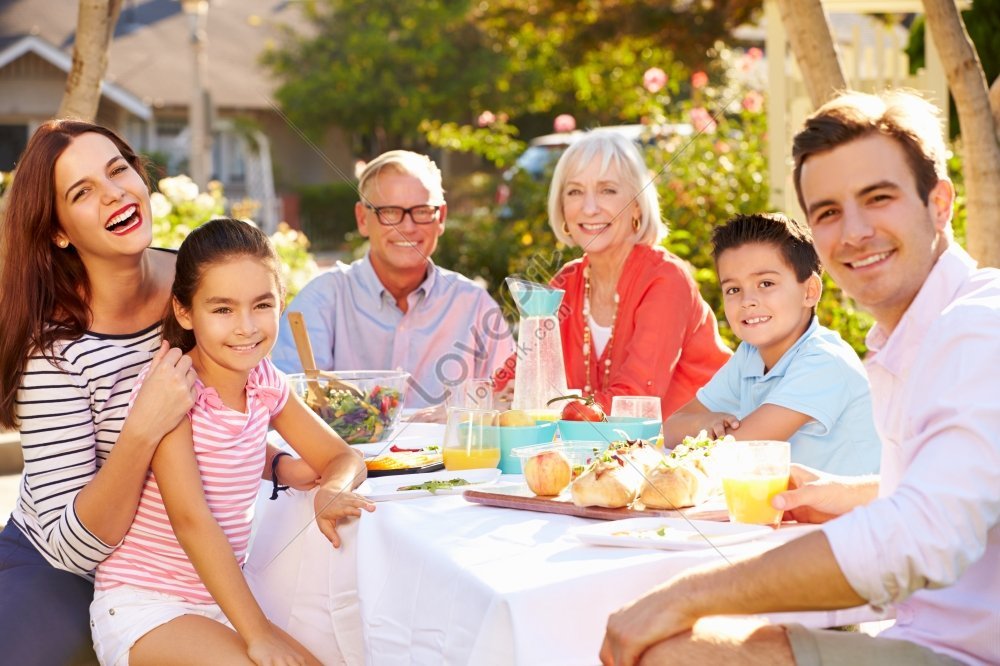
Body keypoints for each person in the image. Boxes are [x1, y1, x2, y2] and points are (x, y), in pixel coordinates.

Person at [600, 90, 999, 666]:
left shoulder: (977, 328)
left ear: (940, 204)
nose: (854, 232)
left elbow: (921, 536)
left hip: (964, 652)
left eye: (878, 197)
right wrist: (850, 493)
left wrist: (689, 594)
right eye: (829, 212)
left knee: (669, 648)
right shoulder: (902, 343)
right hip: (912, 633)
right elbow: (956, 493)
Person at [0, 121, 314, 666]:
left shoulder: (201, 286)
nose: (114, 193)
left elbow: (227, 413)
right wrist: (143, 429)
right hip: (63, 563)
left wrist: (278, 465)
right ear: (58, 231)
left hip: (178, 555)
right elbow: (70, 546)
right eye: (82, 192)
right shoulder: (54, 353)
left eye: (118, 170)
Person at [90, 218, 374, 665]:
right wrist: (258, 634)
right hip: (147, 603)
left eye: (261, 305)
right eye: (222, 309)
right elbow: (190, 519)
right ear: (185, 312)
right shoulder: (173, 388)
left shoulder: (264, 382)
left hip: (223, 600)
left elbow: (342, 455)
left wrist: (331, 489)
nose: (245, 327)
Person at [495, 130, 731, 417]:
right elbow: (516, 377)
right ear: (562, 207)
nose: (590, 208)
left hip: (698, 451)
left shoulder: (666, 279)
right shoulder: (566, 283)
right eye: (575, 192)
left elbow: (633, 403)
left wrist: (539, 405)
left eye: (607, 190)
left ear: (636, 204)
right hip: (608, 455)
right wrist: (486, 401)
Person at [271, 150, 514, 412]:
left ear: (441, 217)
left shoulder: (475, 307)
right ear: (363, 219)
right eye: (389, 212)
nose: (407, 227)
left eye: (422, 211)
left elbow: (506, 406)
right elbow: (289, 410)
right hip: (349, 454)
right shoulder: (319, 302)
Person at [664, 213, 880, 475]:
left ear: (810, 291)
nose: (747, 301)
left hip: (846, 514)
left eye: (766, 283)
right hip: (785, 509)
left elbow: (739, 451)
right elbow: (671, 428)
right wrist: (706, 421)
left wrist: (702, 432)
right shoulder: (750, 355)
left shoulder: (824, 361)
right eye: (733, 289)